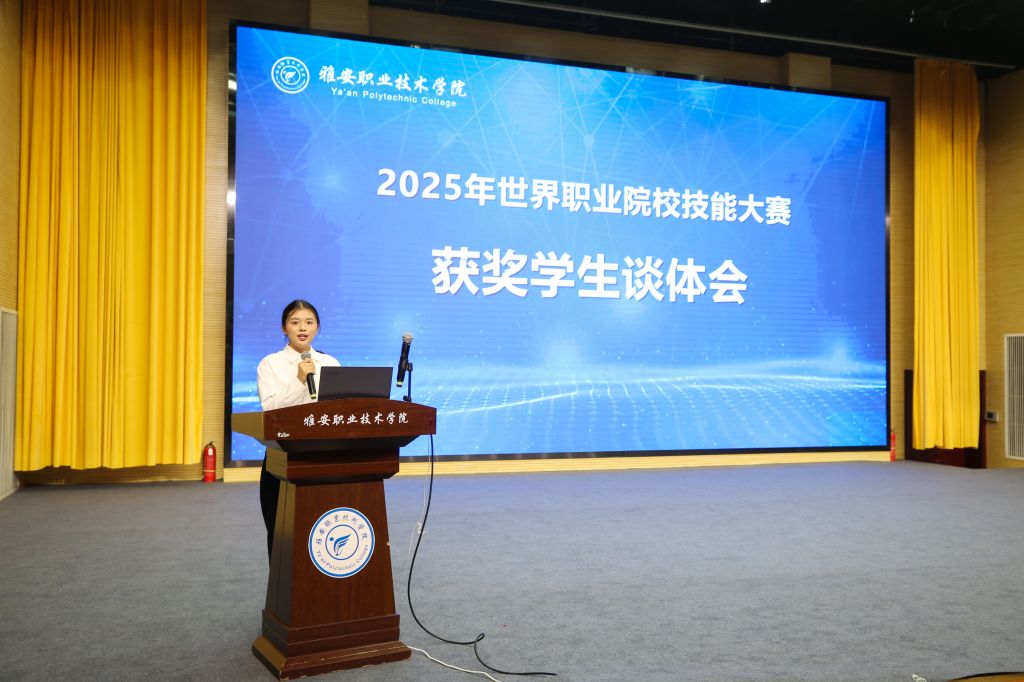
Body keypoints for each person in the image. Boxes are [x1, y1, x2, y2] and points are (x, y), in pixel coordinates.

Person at [256, 299, 340, 561]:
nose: (302, 328)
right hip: (283, 457)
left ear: (317, 328)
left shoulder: (330, 362)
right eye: (295, 322)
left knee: (322, 529)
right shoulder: (270, 364)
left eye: (309, 322)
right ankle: (282, 586)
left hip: (322, 456)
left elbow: (338, 410)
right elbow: (270, 410)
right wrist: (299, 380)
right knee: (282, 532)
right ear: (284, 328)